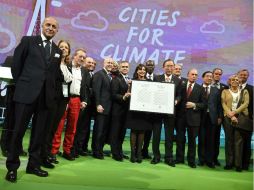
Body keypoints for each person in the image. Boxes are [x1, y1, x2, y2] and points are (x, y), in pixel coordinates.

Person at [5, 17, 62, 183]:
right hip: (26, 94)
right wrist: (23, 84)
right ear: (42, 27)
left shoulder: (57, 50)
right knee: (18, 132)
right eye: (48, 25)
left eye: (54, 27)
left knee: (39, 134)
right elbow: (17, 65)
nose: (50, 28)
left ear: (57, 30)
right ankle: (12, 167)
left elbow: (53, 75)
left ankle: (33, 165)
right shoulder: (28, 41)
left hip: (45, 99)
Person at [40, 40, 72, 166]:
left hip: (63, 101)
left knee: (53, 129)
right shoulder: (53, 62)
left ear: (69, 51)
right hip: (52, 100)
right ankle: (43, 155)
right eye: (61, 47)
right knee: (47, 129)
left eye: (66, 47)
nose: (64, 49)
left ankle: (47, 154)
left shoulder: (67, 65)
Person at [51, 48, 86, 161]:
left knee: (72, 127)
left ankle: (67, 150)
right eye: (80, 56)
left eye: (84, 57)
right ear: (74, 56)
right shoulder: (66, 66)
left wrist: (84, 100)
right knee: (59, 126)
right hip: (64, 98)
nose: (82, 59)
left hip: (76, 100)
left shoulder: (84, 71)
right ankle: (54, 151)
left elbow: (84, 87)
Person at [151, 59, 181, 167]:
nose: (169, 68)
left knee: (169, 136)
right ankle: (156, 156)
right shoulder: (157, 78)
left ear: (174, 67)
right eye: (167, 66)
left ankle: (169, 157)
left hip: (170, 112)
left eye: (171, 66)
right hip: (157, 112)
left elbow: (179, 95)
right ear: (163, 67)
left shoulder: (178, 80)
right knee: (156, 136)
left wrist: (176, 100)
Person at [175, 68, 206, 168]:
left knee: (192, 141)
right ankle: (179, 158)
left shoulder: (200, 88)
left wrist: (194, 105)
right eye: (192, 74)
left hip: (194, 119)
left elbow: (204, 104)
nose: (194, 76)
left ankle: (191, 160)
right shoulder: (181, 85)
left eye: (196, 75)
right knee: (180, 139)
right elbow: (178, 98)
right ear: (188, 75)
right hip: (181, 118)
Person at [125, 64, 153, 163]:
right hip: (134, 110)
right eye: (140, 69)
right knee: (134, 131)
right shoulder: (132, 81)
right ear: (137, 71)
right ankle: (133, 153)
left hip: (144, 111)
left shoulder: (150, 82)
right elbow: (127, 95)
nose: (142, 71)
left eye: (144, 70)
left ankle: (139, 153)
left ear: (146, 72)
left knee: (142, 131)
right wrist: (129, 88)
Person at [221, 74, 249, 171]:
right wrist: (230, 114)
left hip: (240, 118)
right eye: (233, 79)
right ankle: (229, 163)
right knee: (229, 140)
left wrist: (235, 113)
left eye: (237, 80)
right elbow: (223, 103)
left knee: (238, 142)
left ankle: (238, 165)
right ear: (230, 81)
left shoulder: (244, 91)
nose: (235, 81)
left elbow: (246, 104)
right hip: (227, 118)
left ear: (239, 81)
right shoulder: (225, 91)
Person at [72, 57, 96, 156]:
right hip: (81, 103)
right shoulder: (81, 72)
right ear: (84, 63)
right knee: (77, 128)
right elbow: (84, 88)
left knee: (84, 129)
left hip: (88, 106)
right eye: (89, 62)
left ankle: (80, 148)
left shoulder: (92, 74)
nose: (92, 64)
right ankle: (73, 149)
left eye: (93, 63)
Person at [197, 71, 222, 168]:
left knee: (211, 140)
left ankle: (209, 160)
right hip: (200, 118)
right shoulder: (198, 88)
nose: (209, 78)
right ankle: (201, 159)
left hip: (212, 118)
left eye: (211, 77)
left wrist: (220, 117)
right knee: (201, 139)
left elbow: (219, 105)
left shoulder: (216, 90)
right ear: (203, 78)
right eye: (207, 76)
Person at [92, 57, 113, 159]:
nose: (110, 64)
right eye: (108, 62)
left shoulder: (110, 75)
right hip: (101, 107)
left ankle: (99, 149)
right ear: (103, 63)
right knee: (98, 131)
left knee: (103, 131)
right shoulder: (99, 74)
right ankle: (96, 151)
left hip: (108, 108)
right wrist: (98, 104)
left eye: (111, 63)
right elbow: (96, 91)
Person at [110, 61, 131, 161]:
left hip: (126, 111)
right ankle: (115, 153)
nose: (125, 68)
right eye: (123, 67)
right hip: (117, 111)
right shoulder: (116, 79)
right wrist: (123, 97)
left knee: (122, 133)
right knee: (115, 132)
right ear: (119, 68)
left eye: (126, 67)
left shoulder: (130, 80)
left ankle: (120, 151)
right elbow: (113, 95)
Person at [237, 69, 253, 170]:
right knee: (236, 142)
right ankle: (236, 163)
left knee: (246, 142)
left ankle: (245, 164)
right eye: (241, 74)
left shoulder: (252, 89)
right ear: (238, 75)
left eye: (245, 75)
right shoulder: (231, 87)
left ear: (248, 77)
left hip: (247, 120)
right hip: (232, 119)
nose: (243, 76)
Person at [211, 68, 228, 166]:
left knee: (216, 139)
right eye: (216, 73)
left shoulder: (224, 87)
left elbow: (222, 105)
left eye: (219, 74)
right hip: (207, 117)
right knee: (207, 138)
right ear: (213, 74)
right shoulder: (206, 85)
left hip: (218, 117)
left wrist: (220, 117)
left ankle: (215, 158)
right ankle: (205, 158)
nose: (218, 75)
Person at [141, 60, 157, 159]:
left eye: (152, 65)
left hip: (152, 112)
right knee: (140, 131)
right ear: (145, 66)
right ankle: (137, 150)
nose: (150, 67)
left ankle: (145, 151)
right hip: (141, 111)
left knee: (148, 133)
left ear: (154, 67)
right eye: (148, 65)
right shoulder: (141, 77)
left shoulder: (158, 78)